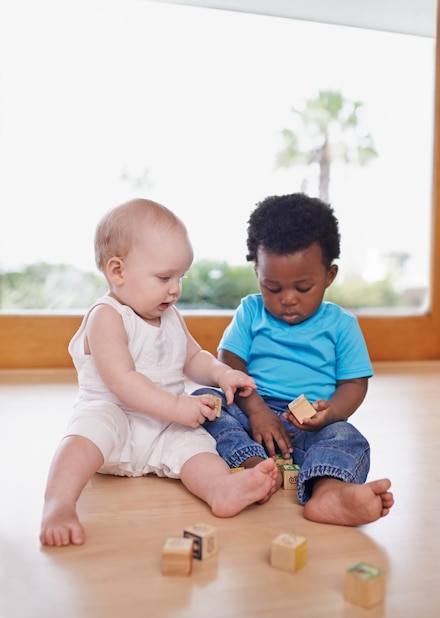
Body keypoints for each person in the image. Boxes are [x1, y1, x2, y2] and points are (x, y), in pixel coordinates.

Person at [40, 198, 278, 547]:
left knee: (197, 446)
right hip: (115, 417)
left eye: (181, 277)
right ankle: (58, 504)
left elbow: (193, 356)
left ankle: (221, 488)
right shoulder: (106, 317)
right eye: (164, 277)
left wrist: (221, 374)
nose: (175, 289)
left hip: (164, 425)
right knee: (83, 437)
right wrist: (177, 407)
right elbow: (122, 380)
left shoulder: (171, 316)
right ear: (117, 271)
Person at [193, 192, 394, 526]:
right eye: (273, 287)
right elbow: (229, 360)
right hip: (249, 411)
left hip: (309, 426)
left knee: (347, 437)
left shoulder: (341, 325)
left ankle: (328, 491)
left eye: (303, 288)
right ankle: (253, 467)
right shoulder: (250, 311)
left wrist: (332, 413)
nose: (287, 299)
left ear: (329, 276)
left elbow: (354, 383)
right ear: (257, 272)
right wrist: (256, 410)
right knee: (205, 402)